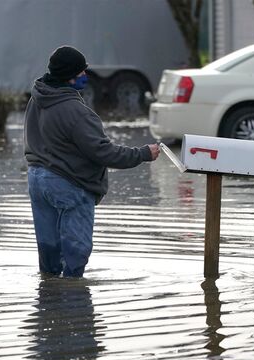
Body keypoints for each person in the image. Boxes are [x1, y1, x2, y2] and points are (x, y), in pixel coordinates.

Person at [24, 45, 160, 278]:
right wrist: (143, 153)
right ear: (68, 76)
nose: (86, 76)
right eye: (81, 73)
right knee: (76, 254)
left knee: (48, 251)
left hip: (37, 180)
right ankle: (75, 303)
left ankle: (49, 299)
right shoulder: (77, 112)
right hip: (68, 184)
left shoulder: (37, 98)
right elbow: (104, 153)